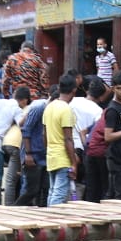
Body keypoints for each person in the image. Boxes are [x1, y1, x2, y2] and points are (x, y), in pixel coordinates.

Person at [44, 73, 77, 206]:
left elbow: (44, 135)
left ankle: (47, 222)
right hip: (63, 158)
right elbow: (68, 139)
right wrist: (73, 163)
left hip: (51, 156)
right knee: (59, 195)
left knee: (52, 192)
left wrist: (49, 150)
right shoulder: (66, 110)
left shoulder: (49, 107)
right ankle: (51, 224)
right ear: (74, 90)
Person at [17, 86, 49, 207]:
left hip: (44, 154)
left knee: (44, 190)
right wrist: (28, 154)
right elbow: (25, 129)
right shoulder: (39, 108)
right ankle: (16, 212)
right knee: (31, 190)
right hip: (33, 155)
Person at [101, 72, 121, 202]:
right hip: (115, 157)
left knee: (116, 193)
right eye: (119, 88)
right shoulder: (113, 110)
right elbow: (108, 136)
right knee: (119, 196)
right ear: (113, 89)